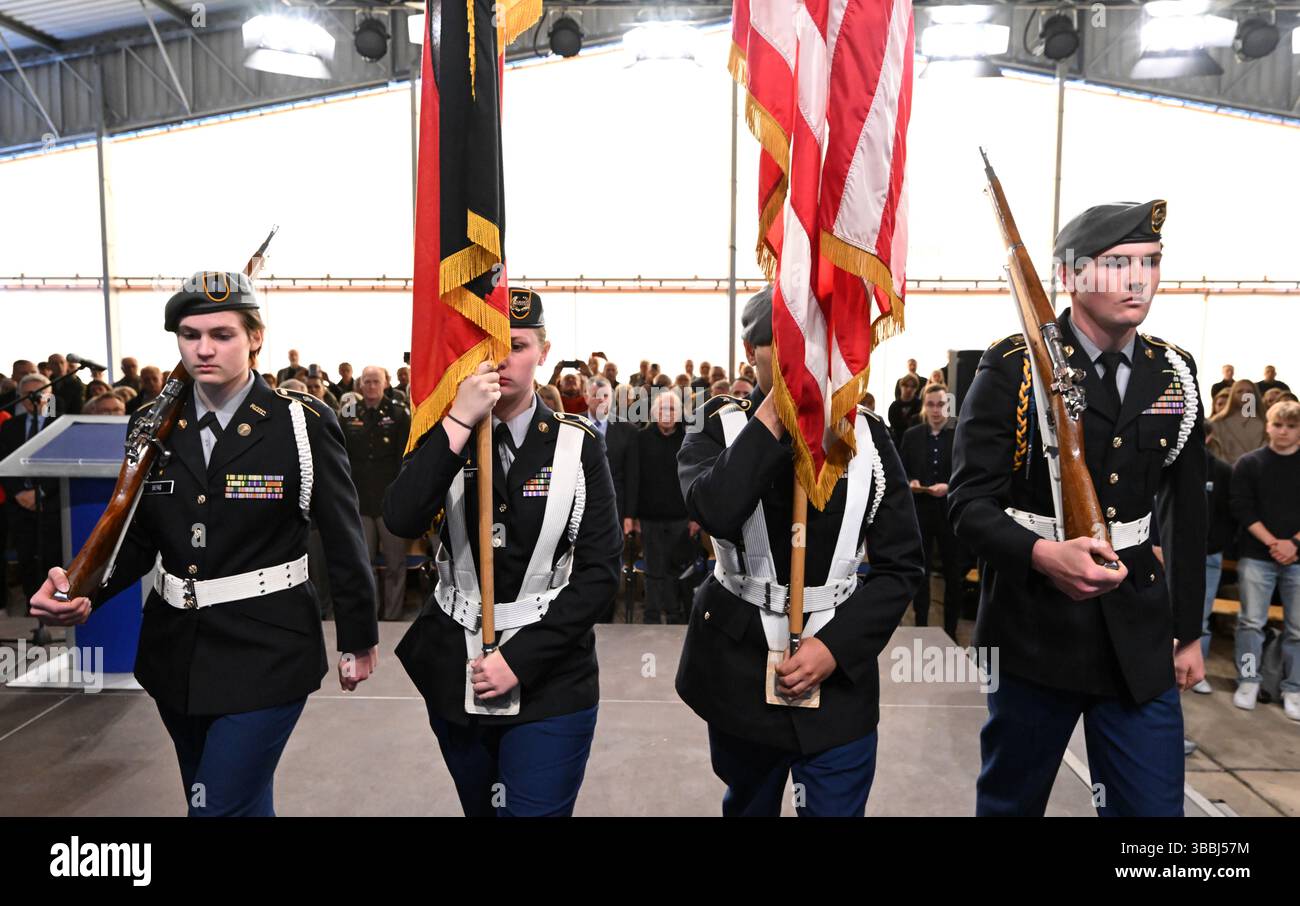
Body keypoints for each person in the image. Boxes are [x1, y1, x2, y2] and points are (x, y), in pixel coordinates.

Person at [29, 271, 379, 817]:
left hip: (267, 648)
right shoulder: (154, 424)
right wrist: (85, 592)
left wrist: (358, 638)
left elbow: (343, 534)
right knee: (227, 797)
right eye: (190, 335)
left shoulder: (299, 423)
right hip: (177, 651)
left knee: (216, 807)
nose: (203, 348)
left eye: (221, 334)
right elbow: (139, 536)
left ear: (255, 338)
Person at [950, 199, 1207, 817]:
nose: (1139, 280)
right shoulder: (1013, 368)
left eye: (1150, 263)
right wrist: (1041, 554)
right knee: (1012, 804)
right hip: (1035, 629)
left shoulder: (1174, 372)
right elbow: (967, 506)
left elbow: (1188, 510)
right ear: (1068, 276)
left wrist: (1188, 630)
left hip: (1140, 632)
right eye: (1118, 264)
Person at [675, 287, 924, 817]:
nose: (806, 359)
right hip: (740, 669)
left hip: (840, 678)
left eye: (816, 344)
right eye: (786, 344)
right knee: (748, 805)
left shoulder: (871, 438)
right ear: (751, 352)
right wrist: (775, 415)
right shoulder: (715, 426)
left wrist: (834, 646)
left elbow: (901, 566)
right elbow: (714, 509)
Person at [384, 288, 622, 817]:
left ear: (543, 350)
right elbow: (401, 519)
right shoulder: (444, 430)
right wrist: (460, 422)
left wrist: (520, 659)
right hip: (457, 667)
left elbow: (601, 574)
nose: (502, 359)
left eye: (517, 345)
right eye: (489, 345)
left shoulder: (577, 444)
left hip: (552, 671)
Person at [1228, 399, 1300, 720]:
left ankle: (1294, 687)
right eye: (1278, 425)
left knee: (1298, 628)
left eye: (1291, 426)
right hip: (1257, 554)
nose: (1283, 431)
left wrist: (1294, 544)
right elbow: (1242, 508)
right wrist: (1274, 543)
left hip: (1298, 558)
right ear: (1268, 426)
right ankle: (1248, 679)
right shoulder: (1249, 463)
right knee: (1249, 623)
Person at [342, 366, 412, 621]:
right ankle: (369, 615)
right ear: (360, 385)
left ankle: (392, 616)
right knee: (365, 564)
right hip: (360, 500)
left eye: (376, 382)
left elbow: (404, 458)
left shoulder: (398, 413)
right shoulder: (349, 412)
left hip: (389, 502)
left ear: (385, 383)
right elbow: (343, 455)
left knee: (395, 563)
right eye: (367, 382)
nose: (371, 386)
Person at [899, 382, 965, 638]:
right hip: (922, 511)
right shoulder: (912, 435)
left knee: (953, 573)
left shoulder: (960, 434)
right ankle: (921, 629)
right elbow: (902, 470)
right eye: (930, 404)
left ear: (947, 405)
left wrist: (949, 486)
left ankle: (950, 631)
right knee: (920, 572)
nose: (936, 410)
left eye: (940, 404)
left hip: (951, 512)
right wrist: (911, 482)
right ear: (924, 406)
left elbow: (968, 471)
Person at [0, 373, 61, 643]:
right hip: (19, 504)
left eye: (40, 393)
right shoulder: (10, 427)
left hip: (51, 503)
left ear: (48, 395)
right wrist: (18, 494)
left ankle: (55, 612)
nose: (34, 398)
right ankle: (32, 611)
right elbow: (3, 462)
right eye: (29, 394)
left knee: (52, 558)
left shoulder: (59, 424)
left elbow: (64, 464)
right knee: (26, 559)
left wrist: (42, 492)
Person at [628, 390, 697, 625]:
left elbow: (694, 481)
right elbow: (633, 479)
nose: (667, 414)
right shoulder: (641, 438)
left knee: (675, 570)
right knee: (653, 571)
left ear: (679, 414)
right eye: (662, 409)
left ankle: (675, 616)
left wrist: (695, 518)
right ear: (654, 412)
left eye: (672, 409)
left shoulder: (689, 440)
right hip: (649, 518)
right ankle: (652, 616)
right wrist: (632, 515)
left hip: (681, 517)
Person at [1207, 379, 1265, 465]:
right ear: (1232, 395)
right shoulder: (1217, 422)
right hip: (1226, 471)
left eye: (1249, 391)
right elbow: (1215, 451)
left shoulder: (1266, 423)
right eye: (1239, 391)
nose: (1245, 394)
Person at [887, 374, 921, 447]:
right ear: (901, 386)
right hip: (897, 443)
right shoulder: (894, 406)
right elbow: (894, 424)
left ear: (916, 389)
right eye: (906, 386)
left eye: (912, 387)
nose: (909, 389)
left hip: (915, 442)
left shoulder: (920, 405)